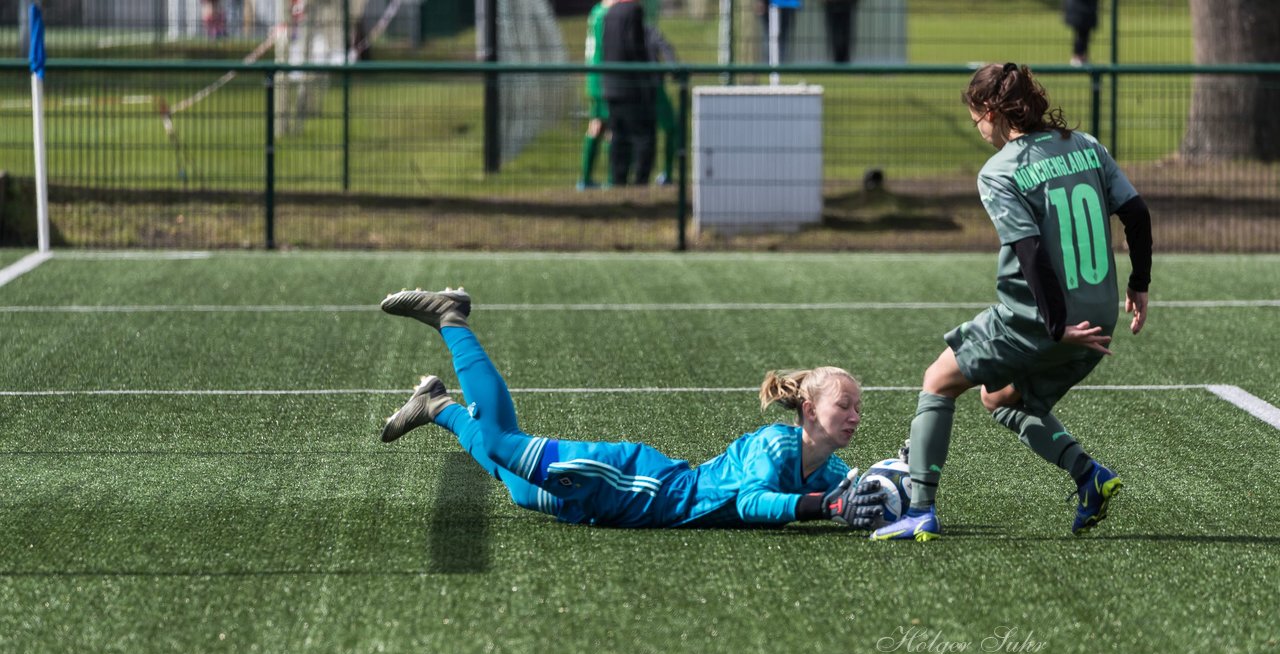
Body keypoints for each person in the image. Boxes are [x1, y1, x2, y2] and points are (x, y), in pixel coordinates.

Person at [871, 62, 1152, 542]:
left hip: (1038, 319)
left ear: (992, 111)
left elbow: (1030, 252)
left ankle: (919, 511)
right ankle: (1090, 477)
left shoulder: (1000, 170)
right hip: (1100, 317)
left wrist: (1054, 324)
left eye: (976, 116)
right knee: (1000, 396)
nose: (977, 127)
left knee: (938, 381)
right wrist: (1139, 283)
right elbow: (1137, 212)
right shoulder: (1085, 147)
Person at [377, 287, 887, 530]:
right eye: (845, 404)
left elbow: (857, 492)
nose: (855, 415)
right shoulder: (777, 446)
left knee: (515, 486)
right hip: (633, 484)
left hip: (621, 509)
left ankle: (437, 405)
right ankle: (452, 317)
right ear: (807, 409)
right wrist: (829, 507)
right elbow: (750, 504)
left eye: (858, 407)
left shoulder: (831, 469)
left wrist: (894, 485)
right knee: (500, 443)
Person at [602, 0, 656, 186]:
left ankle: (618, 180)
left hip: (611, 85)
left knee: (619, 137)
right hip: (631, 87)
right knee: (644, 136)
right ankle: (641, 182)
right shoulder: (633, 10)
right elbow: (636, 48)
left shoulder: (610, 12)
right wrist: (646, 80)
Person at [578, 0, 615, 190]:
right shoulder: (605, 15)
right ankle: (611, 179)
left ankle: (587, 179)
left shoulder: (597, 11)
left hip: (595, 79)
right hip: (603, 79)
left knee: (599, 124)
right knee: (607, 127)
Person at [646, 23, 680, 186]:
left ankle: (666, 172)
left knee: (670, 128)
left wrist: (673, 68)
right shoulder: (648, 30)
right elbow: (666, 50)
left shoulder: (649, 30)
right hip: (648, 86)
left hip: (642, 87)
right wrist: (674, 70)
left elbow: (666, 50)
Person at [1064, 0, 1099, 66]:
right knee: (1082, 33)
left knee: (1083, 34)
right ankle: (1077, 57)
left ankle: (1081, 57)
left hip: (1083, 9)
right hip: (1081, 9)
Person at [823, 0, 859, 65]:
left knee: (844, 36)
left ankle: (843, 62)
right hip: (832, 3)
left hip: (845, 3)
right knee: (837, 37)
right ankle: (838, 62)